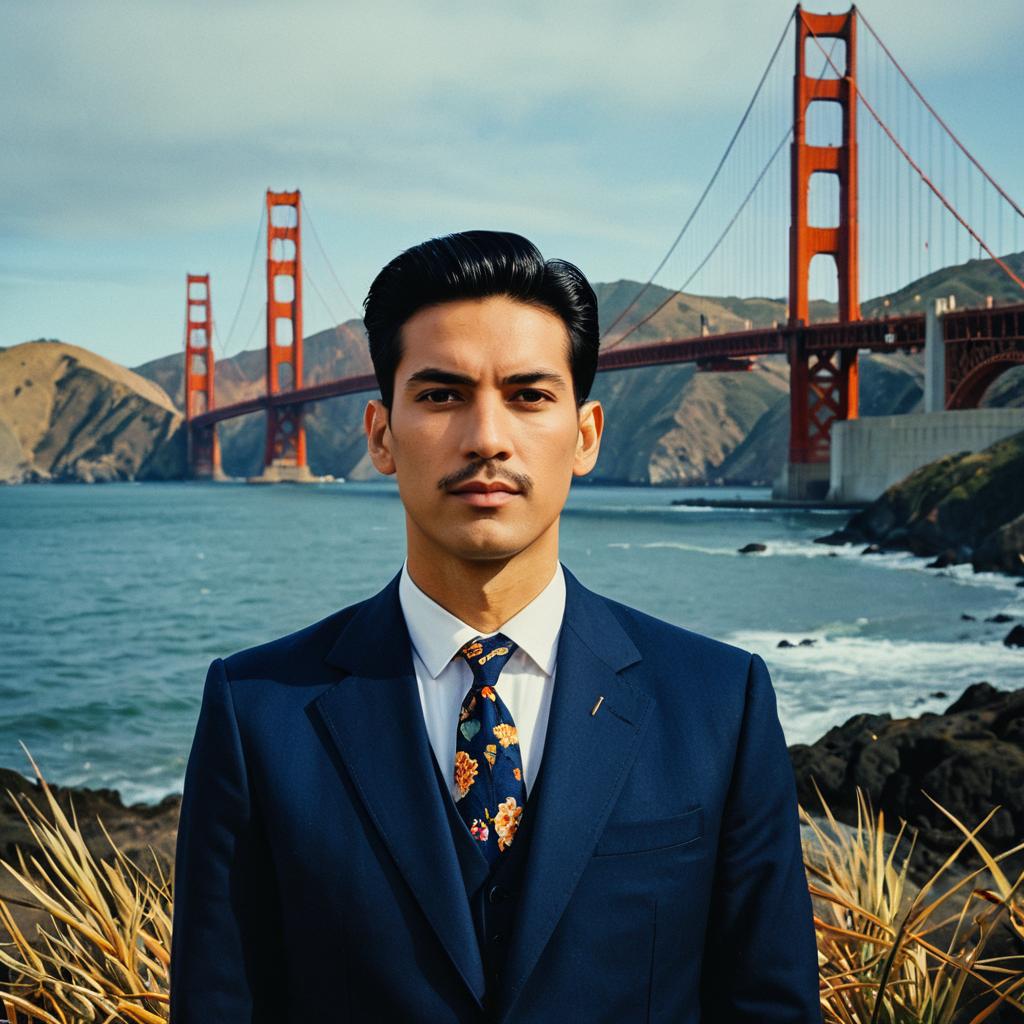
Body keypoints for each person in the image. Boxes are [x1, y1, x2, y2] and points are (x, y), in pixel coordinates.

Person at [169, 230, 821, 1023]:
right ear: (380, 436)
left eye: (529, 396)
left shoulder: (719, 703)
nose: (486, 438)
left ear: (586, 436)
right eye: (441, 396)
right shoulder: (256, 712)